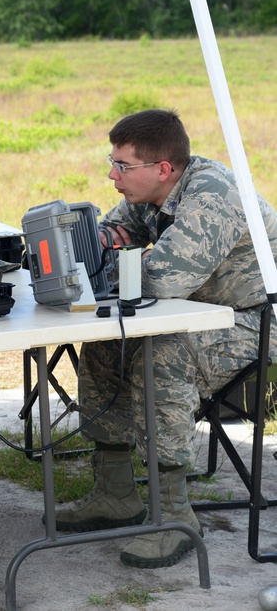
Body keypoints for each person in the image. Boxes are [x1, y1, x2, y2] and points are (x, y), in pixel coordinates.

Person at [52, 109, 277, 569]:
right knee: (104, 344)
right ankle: (114, 493)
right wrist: (85, 248)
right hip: (203, 312)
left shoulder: (212, 195)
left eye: (122, 166)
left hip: (255, 322)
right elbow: (109, 235)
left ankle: (174, 514)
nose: (111, 175)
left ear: (163, 169)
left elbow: (160, 280)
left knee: (166, 354)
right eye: (111, 162)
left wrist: (99, 264)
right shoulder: (149, 191)